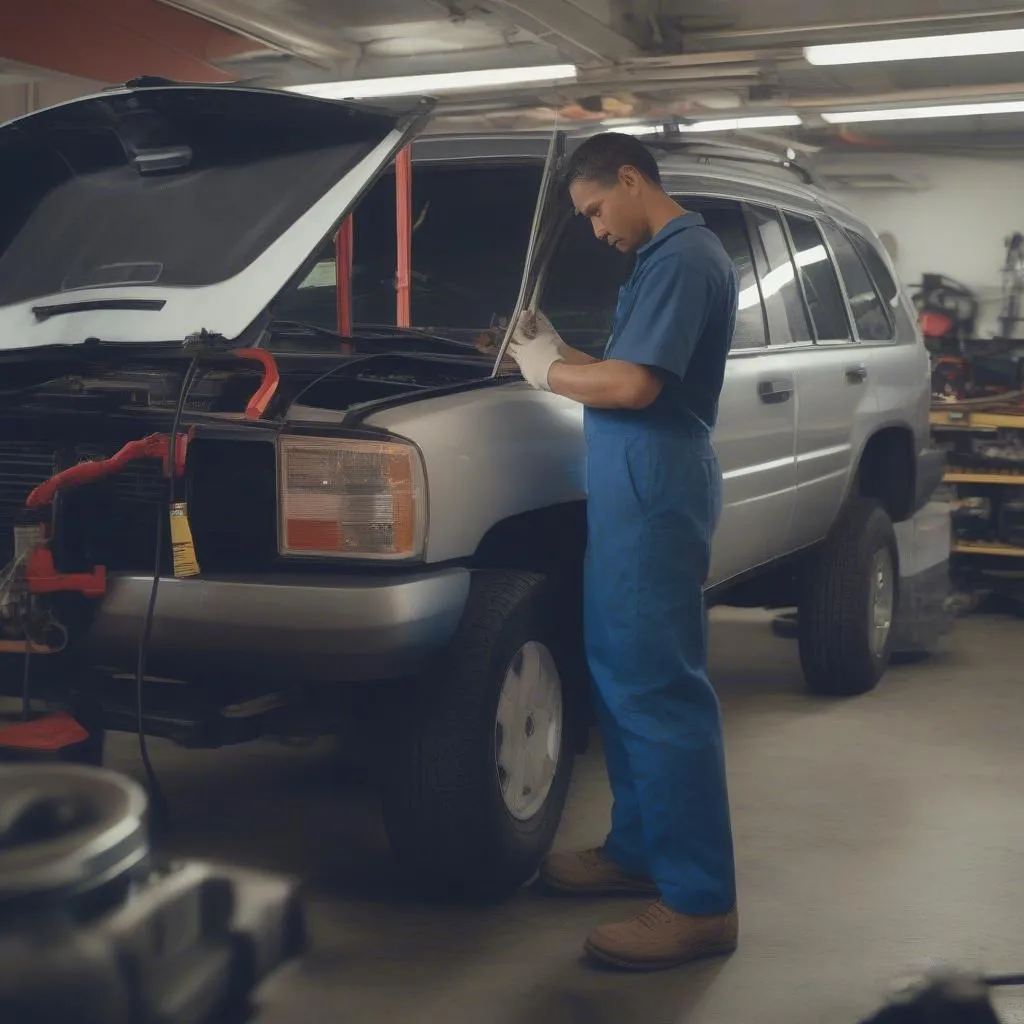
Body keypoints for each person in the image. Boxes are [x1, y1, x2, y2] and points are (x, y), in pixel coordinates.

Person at [506, 132, 739, 971]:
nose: (597, 229)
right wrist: (560, 347)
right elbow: (619, 366)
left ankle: (699, 901)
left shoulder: (684, 257)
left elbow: (636, 386)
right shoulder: (658, 259)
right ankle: (639, 851)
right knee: (621, 675)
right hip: (632, 491)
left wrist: (543, 374)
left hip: (655, 489)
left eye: (597, 210)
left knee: (659, 692)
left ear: (632, 180)